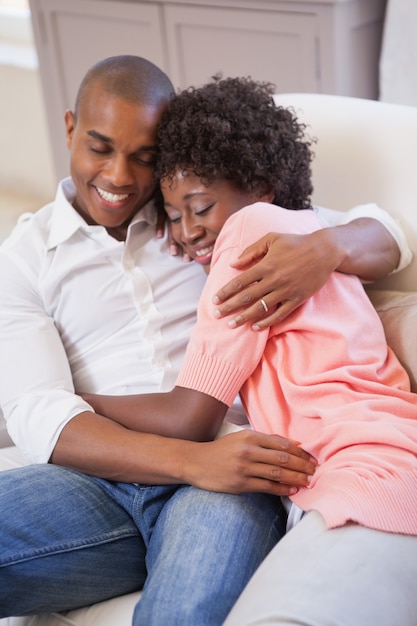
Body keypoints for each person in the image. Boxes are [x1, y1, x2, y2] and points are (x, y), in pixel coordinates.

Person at [0, 55, 409, 623]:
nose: (119, 176)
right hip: (103, 477)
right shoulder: (23, 259)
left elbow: (386, 231)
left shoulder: (213, 214)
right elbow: (37, 411)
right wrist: (189, 462)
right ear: (69, 128)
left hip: (231, 475)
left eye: (143, 157)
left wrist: (328, 247)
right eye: (99, 147)